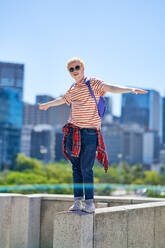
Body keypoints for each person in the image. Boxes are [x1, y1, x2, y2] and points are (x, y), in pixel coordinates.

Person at [38, 57, 147, 213]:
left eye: (77, 67)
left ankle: (89, 203)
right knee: (76, 168)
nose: (75, 71)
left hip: (90, 133)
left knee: (86, 168)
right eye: (71, 69)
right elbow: (62, 100)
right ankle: (77, 201)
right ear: (69, 73)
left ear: (82, 68)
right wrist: (47, 105)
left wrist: (129, 89)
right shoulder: (72, 89)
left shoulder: (93, 83)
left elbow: (110, 87)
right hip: (73, 132)